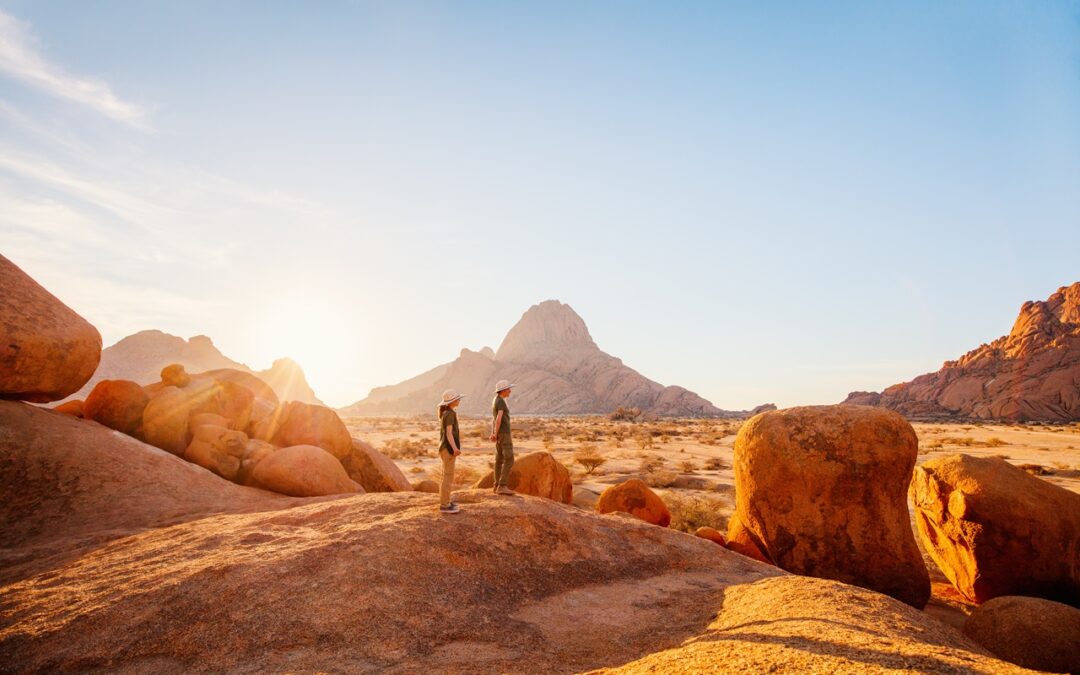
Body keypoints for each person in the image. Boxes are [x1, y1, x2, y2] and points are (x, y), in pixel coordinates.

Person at [437, 389, 464, 514]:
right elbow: (449, 433)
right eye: (458, 398)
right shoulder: (450, 414)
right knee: (448, 477)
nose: (459, 400)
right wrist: (455, 448)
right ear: (452, 401)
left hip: (443, 448)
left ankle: (446, 501)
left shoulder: (446, 412)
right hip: (448, 449)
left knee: (445, 476)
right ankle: (444, 505)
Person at [490, 379, 515, 495]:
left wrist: (494, 433)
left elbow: (494, 419)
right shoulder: (501, 402)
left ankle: (496, 485)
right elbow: (498, 419)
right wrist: (495, 433)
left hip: (500, 433)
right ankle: (502, 485)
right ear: (503, 390)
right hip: (504, 433)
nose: (510, 391)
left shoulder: (496, 400)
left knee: (499, 459)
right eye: (509, 389)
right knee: (509, 459)